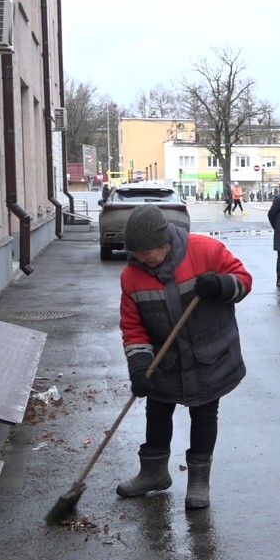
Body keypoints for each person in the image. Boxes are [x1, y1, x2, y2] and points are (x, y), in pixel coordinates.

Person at [117, 204, 252, 510]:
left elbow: (243, 280)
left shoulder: (204, 250)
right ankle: (154, 472)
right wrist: (138, 367)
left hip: (211, 355)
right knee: (157, 410)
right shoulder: (131, 276)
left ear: (163, 243)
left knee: (204, 414)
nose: (139, 260)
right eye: (134, 254)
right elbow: (133, 326)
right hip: (166, 361)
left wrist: (220, 285)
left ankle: (199, 481)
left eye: (145, 253)